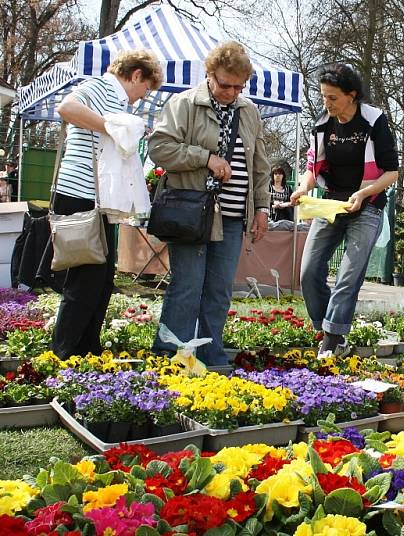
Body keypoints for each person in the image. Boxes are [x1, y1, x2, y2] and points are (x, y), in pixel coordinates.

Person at [149, 42, 270, 365]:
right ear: (209, 74)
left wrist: (261, 208)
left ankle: (209, 351)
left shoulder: (249, 111)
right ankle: (171, 352)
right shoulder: (185, 103)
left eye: (238, 86)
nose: (231, 91)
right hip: (192, 213)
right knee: (187, 286)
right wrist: (205, 158)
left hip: (232, 218)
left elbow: (260, 165)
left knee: (219, 290)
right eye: (224, 84)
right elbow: (159, 148)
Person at [50, 50, 163, 359]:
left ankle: (87, 348)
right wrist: (111, 127)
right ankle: (65, 353)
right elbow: (67, 107)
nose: (141, 99)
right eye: (144, 90)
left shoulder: (117, 98)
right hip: (79, 195)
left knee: (101, 282)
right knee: (84, 281)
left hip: (98, 200)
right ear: (136, 75)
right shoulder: (100, 86)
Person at [289, 63, 399, 357]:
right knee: (309, 271)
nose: (327, 103)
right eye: (324, 96)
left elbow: (392, 172)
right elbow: (313, 166)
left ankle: (333, 338)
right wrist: (303, 188)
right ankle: (325, 328)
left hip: (367, 206)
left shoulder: (373, 121)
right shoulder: (324, 122)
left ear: (352, 95)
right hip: (331, 204)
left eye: (333, 98)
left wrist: (363, 193)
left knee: (348, 275)